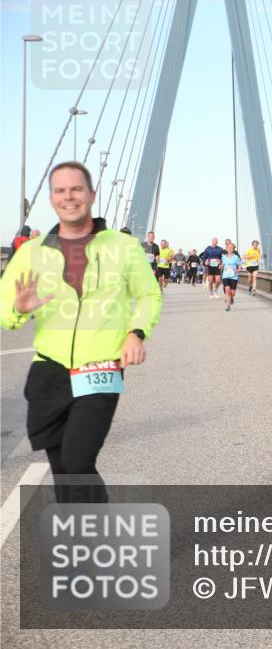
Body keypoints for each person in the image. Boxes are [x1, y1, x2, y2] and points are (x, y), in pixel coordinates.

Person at [0, 161, 161, 504]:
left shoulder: (123, 247)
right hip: (48, 371)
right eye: (60, 190)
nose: (68, 196)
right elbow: (6, 317)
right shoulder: (31, 252)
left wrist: (136, 332)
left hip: (99, 369)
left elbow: (149, 294)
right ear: (51, 198)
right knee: (63, 470)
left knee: (77, 462)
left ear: (91, 194)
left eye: (76, 189)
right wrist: (20, 307)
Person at [220, 241, 241, 312]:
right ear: (227, 248)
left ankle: (231, 297)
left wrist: (238, 270)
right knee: (227, 289)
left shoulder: (236, 257)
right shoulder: (224, 257)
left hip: (234, 276)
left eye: (231, 248)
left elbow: (239, 266)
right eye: (229, 247)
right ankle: (228, 305)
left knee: (232, 293)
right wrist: (221, 266)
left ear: (233, 249)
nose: (230, 249)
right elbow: (222, 265)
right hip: (225, 275)